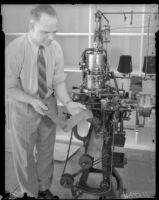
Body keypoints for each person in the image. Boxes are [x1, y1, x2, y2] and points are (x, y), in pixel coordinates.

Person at [5, 4, 86, 199]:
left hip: (48, 103)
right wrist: (31, 100)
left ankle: (43, 189)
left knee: (46, 151)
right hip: (24, 104)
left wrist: (67, 102)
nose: (52, 37)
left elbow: (58, 80)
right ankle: (30, 193)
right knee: (24, 157)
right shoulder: (15, 49)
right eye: (46, 32)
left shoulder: (54, 47)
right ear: (31, 27)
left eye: (55, 32)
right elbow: (10, 87)